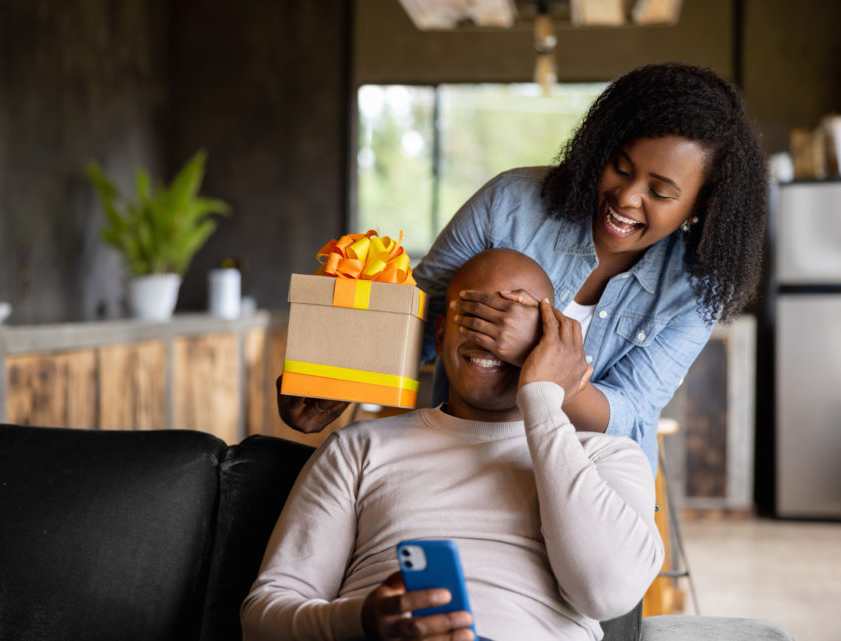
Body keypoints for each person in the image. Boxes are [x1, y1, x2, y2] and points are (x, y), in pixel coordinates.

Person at [277, 63, 768, 469]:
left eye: (660, 192)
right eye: (620, 166)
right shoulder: (510, 206)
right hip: (464, 457)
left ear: (702, 205)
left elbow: (632, 413)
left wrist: (537, 355)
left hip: (589, 479)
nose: (626, 197)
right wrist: (329, 379)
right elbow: (421, 319)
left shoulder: (696, 288)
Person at [243, 249, 663, 641]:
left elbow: (607, 592)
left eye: (515, 320)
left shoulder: (608, 456)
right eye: (474, 314)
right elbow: (263, 614)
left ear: (554, 342)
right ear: (440, 331)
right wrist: (359, 620)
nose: (490, 338)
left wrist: (543, 397)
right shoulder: (359, 448)